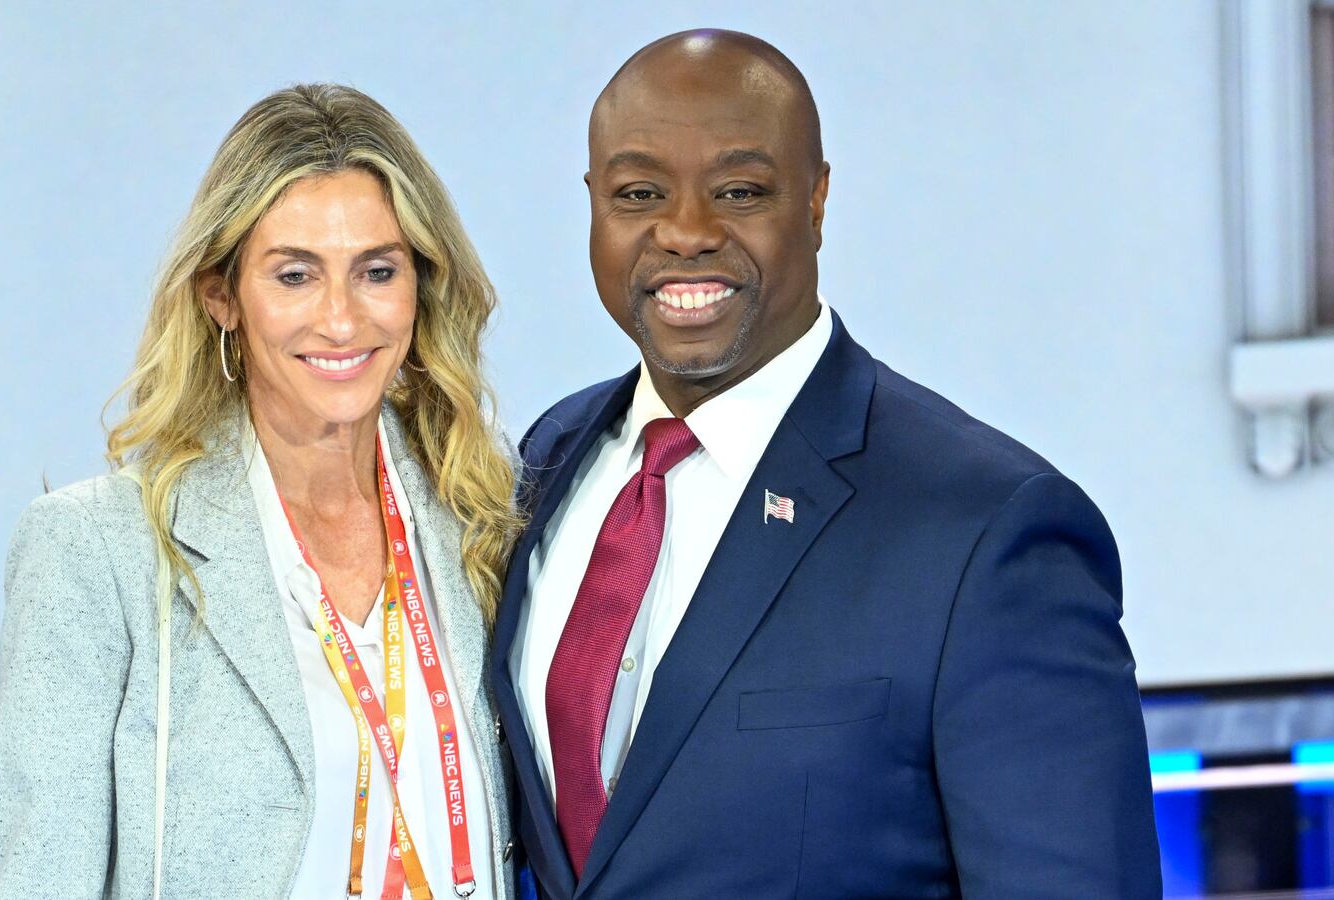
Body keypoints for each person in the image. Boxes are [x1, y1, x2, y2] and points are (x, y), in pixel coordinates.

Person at [491, 30, 1162, 898]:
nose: (685, 231)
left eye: (739, 190)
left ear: (815, 201)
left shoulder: (987, 530)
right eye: (639, 192)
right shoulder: (550, 460)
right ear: (593, 203)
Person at [0, 84, 521, 899]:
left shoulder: (476, 513)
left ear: (421, 288)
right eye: (295, 275)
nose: (341, 320)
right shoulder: (98, 551)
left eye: (376, 271)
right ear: (220, 295)